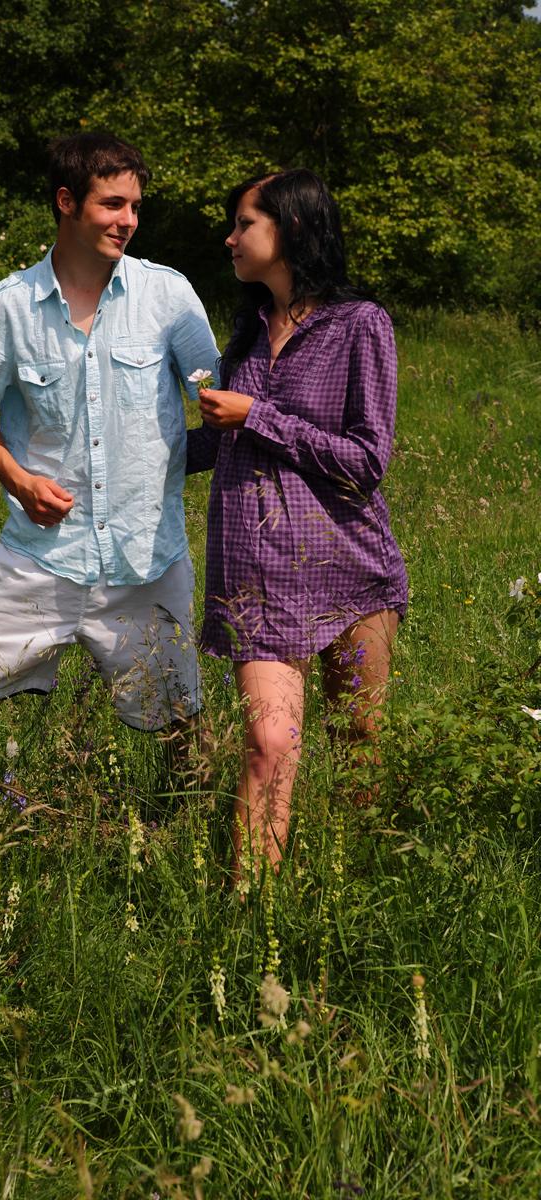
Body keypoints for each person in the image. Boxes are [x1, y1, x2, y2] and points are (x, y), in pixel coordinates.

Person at [0, 132, 219, 772]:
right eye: (113, 204)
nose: (129, 221)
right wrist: (20, 481)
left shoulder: (169, 297)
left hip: (147, 555)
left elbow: (219, 400)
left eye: (135, 206)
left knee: (182, 724)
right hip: (42, 556)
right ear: (67, 201)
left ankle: (192, 824)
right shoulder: (8, 308)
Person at [186, 168, 408, 874]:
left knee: (358, 742)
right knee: (269, 747)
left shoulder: (360, 325)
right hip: (256, 580)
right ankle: (253, 916)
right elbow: (218, 443)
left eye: (244, 223)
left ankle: (361, 884)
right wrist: (114, 463)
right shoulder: (247, 335)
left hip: (350, 571)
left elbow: (366, 461)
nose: (230, 238)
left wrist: (258, 415)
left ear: (294, 228)